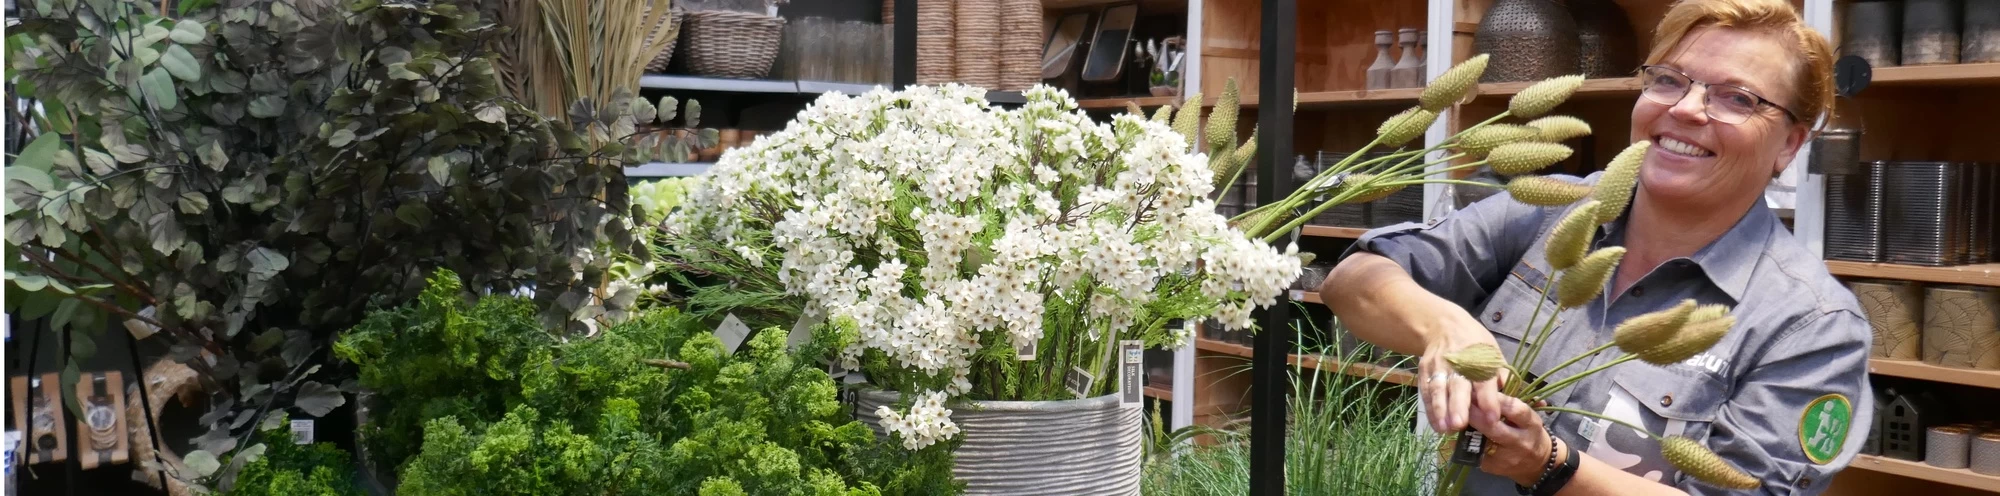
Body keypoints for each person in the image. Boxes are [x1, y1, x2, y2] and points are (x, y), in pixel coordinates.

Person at [1319, 0, 1872, 494]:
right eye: (1669, 80)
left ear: (1790, 144)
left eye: (1736, 98)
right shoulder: (1554, 208)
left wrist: (1551, 465)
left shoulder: (1812, 326)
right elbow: (1356, 278)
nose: (1685, 108)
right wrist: (1444, 328)